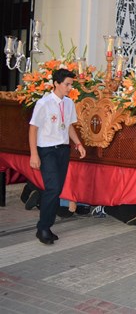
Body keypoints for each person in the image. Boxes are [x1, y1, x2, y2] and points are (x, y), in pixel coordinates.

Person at [28, 68, 87, 244]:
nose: (70, 87)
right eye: (67, 84)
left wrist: (78, 143)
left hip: (62, 149)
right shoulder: (44, 103)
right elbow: (33, 129)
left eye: (71, 84)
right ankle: (43, 228)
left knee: (57, 189)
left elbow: (68, 125)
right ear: (56, 84)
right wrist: (34, 154)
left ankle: (47, 225)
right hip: (46, 150)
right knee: (53, 188)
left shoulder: (68, 103)